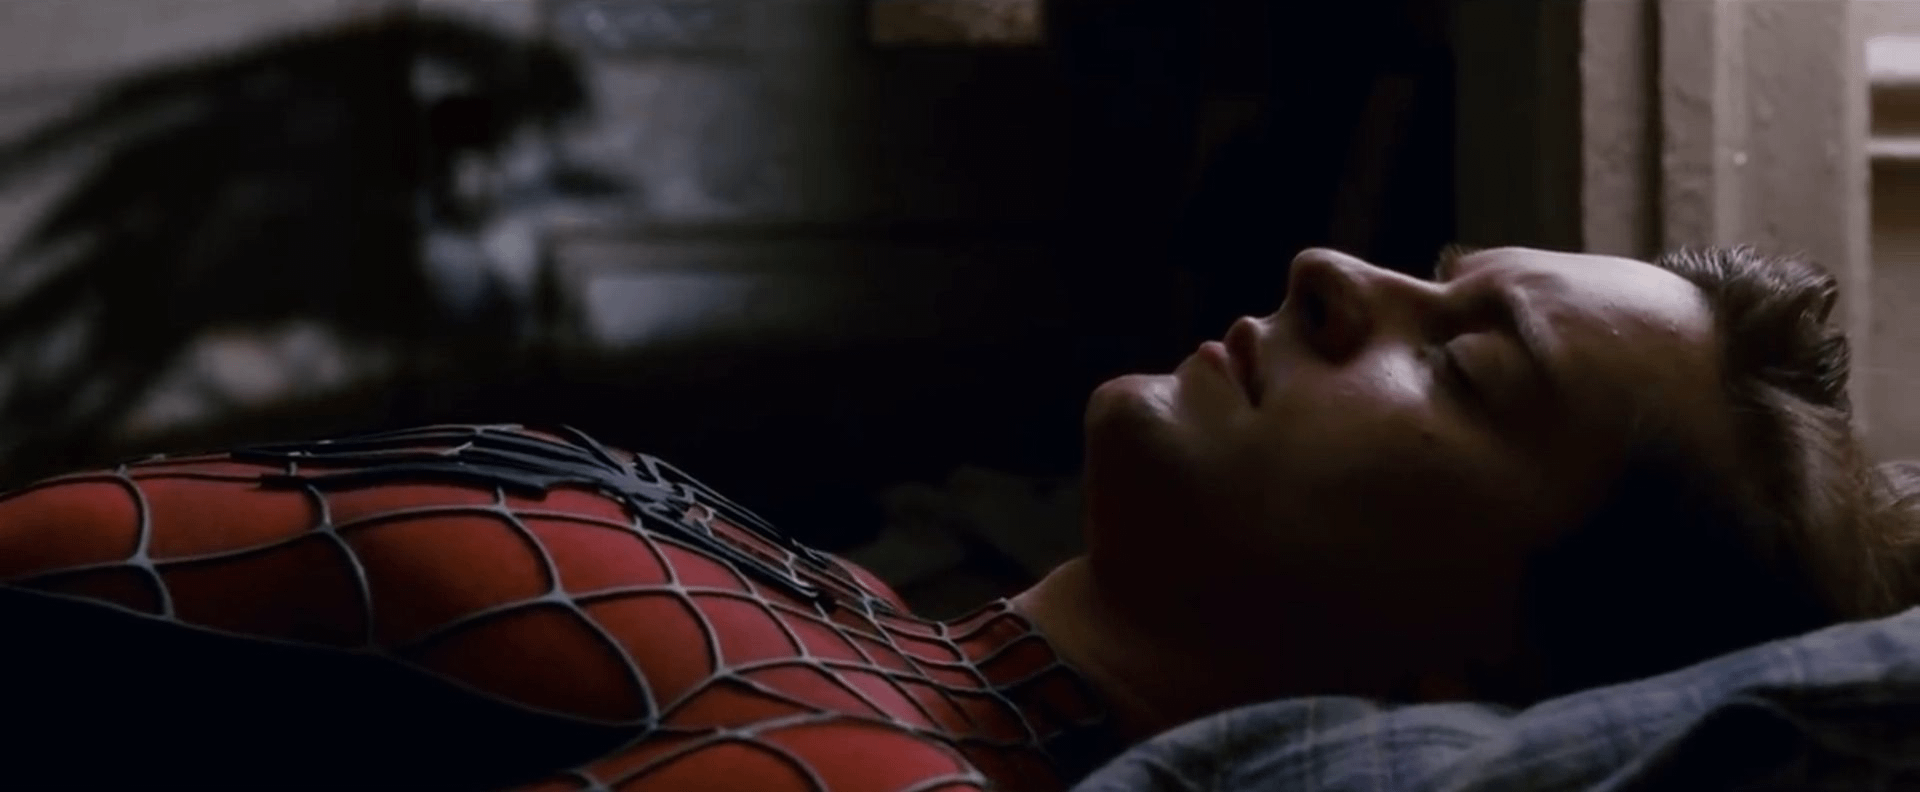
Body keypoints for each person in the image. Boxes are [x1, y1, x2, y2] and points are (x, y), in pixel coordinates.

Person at [0, 245, 1910, 792]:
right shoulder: (855, 620)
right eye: (1432, 271)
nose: (1335, 276)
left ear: (1468, 670)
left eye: (1467, 366)